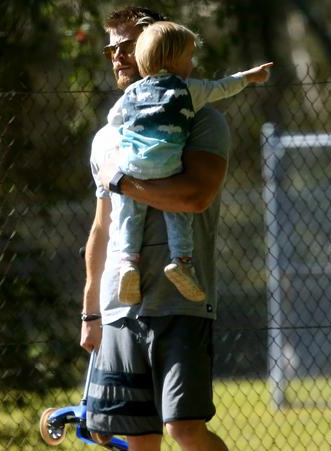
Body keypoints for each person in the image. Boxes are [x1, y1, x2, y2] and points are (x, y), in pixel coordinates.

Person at [80, 6, 257, 451]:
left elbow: (194, 196)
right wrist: (91, 314)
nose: (116, 54)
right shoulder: (106, 136)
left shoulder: (202, 120)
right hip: (119, 309)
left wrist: (127, 186)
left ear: (155, 45)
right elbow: (101, 229)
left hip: (182, 300)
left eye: (125, 42)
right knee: (139, 442)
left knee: (184, 427)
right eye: (110, 45)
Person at [110, 21, 272, 304]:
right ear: (173, 60)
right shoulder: (187, 89)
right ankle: (181, 260)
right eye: (188, 57)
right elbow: (222, 87)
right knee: (176, 210)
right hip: (167, 166)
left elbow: (114, 120)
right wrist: (249, 76)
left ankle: (127, 263)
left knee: (128, 210)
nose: (192, 63)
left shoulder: (130, 94)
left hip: (132, 165)